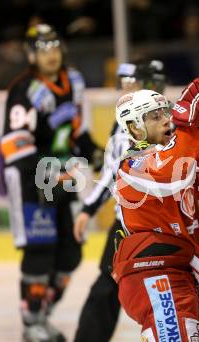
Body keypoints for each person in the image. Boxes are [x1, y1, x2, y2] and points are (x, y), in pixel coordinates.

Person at [112, 80, 199, 341]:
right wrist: (187, 121)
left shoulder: (178, 158)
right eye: (155, 116)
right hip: (153, 277)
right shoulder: (132, 167)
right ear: (135, 127)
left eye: (167, 113)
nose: (166, 120)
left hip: (175, 277)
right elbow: (172, 174)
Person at [0, 24, 103, 342]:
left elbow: (77, 132)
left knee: (71, 254)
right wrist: (47, 176)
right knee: (40, 252)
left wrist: (95, 152)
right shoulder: (23, 89)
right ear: (32, 54)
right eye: (43, 49)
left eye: (55, 47)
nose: (51, 54)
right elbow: (14, 144)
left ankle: (44, 315)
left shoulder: (73, 81)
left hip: (64, 176)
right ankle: (32, 323)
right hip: (32, 178)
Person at [73, 59, 166, 342]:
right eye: (124, 85)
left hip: (154, 222)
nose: (126, 91)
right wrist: (88, 208)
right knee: (110, 287)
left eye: (132, 84)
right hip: (133, 222)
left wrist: (89, 208)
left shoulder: (163, 120)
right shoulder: (130, 119)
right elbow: (114, 173)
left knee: (168, 289)